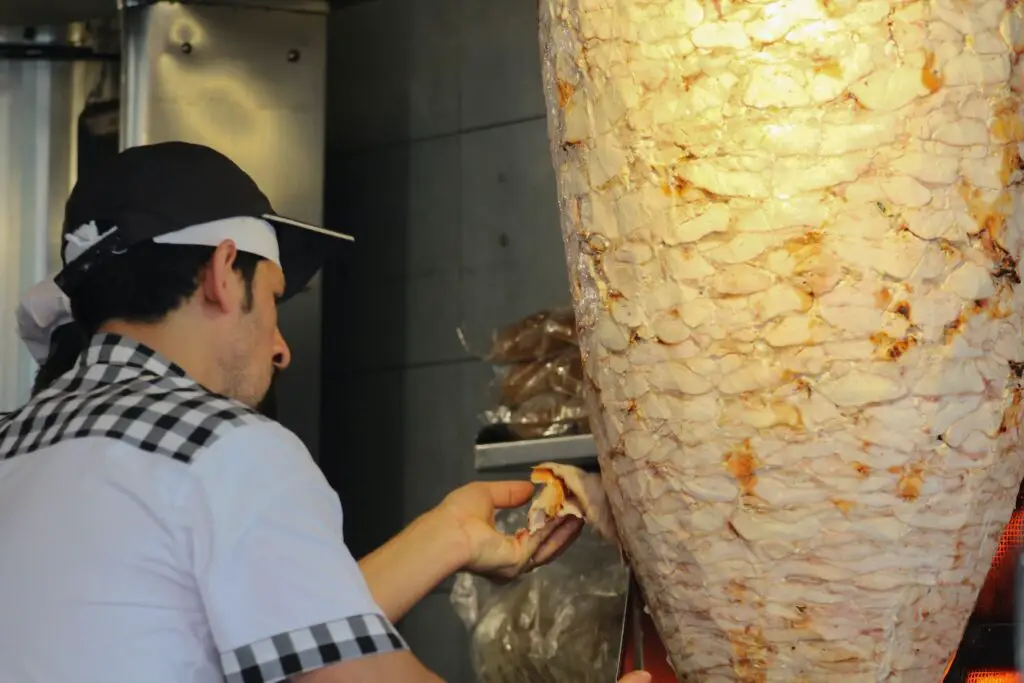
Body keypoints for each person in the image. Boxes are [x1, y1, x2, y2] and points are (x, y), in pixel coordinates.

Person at [0, 141, 651, 683]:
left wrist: (448, 533)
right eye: (276, 299)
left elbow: (294, 633)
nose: (281, 348)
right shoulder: (224, 447)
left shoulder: (16, 440)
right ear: (224, 273)